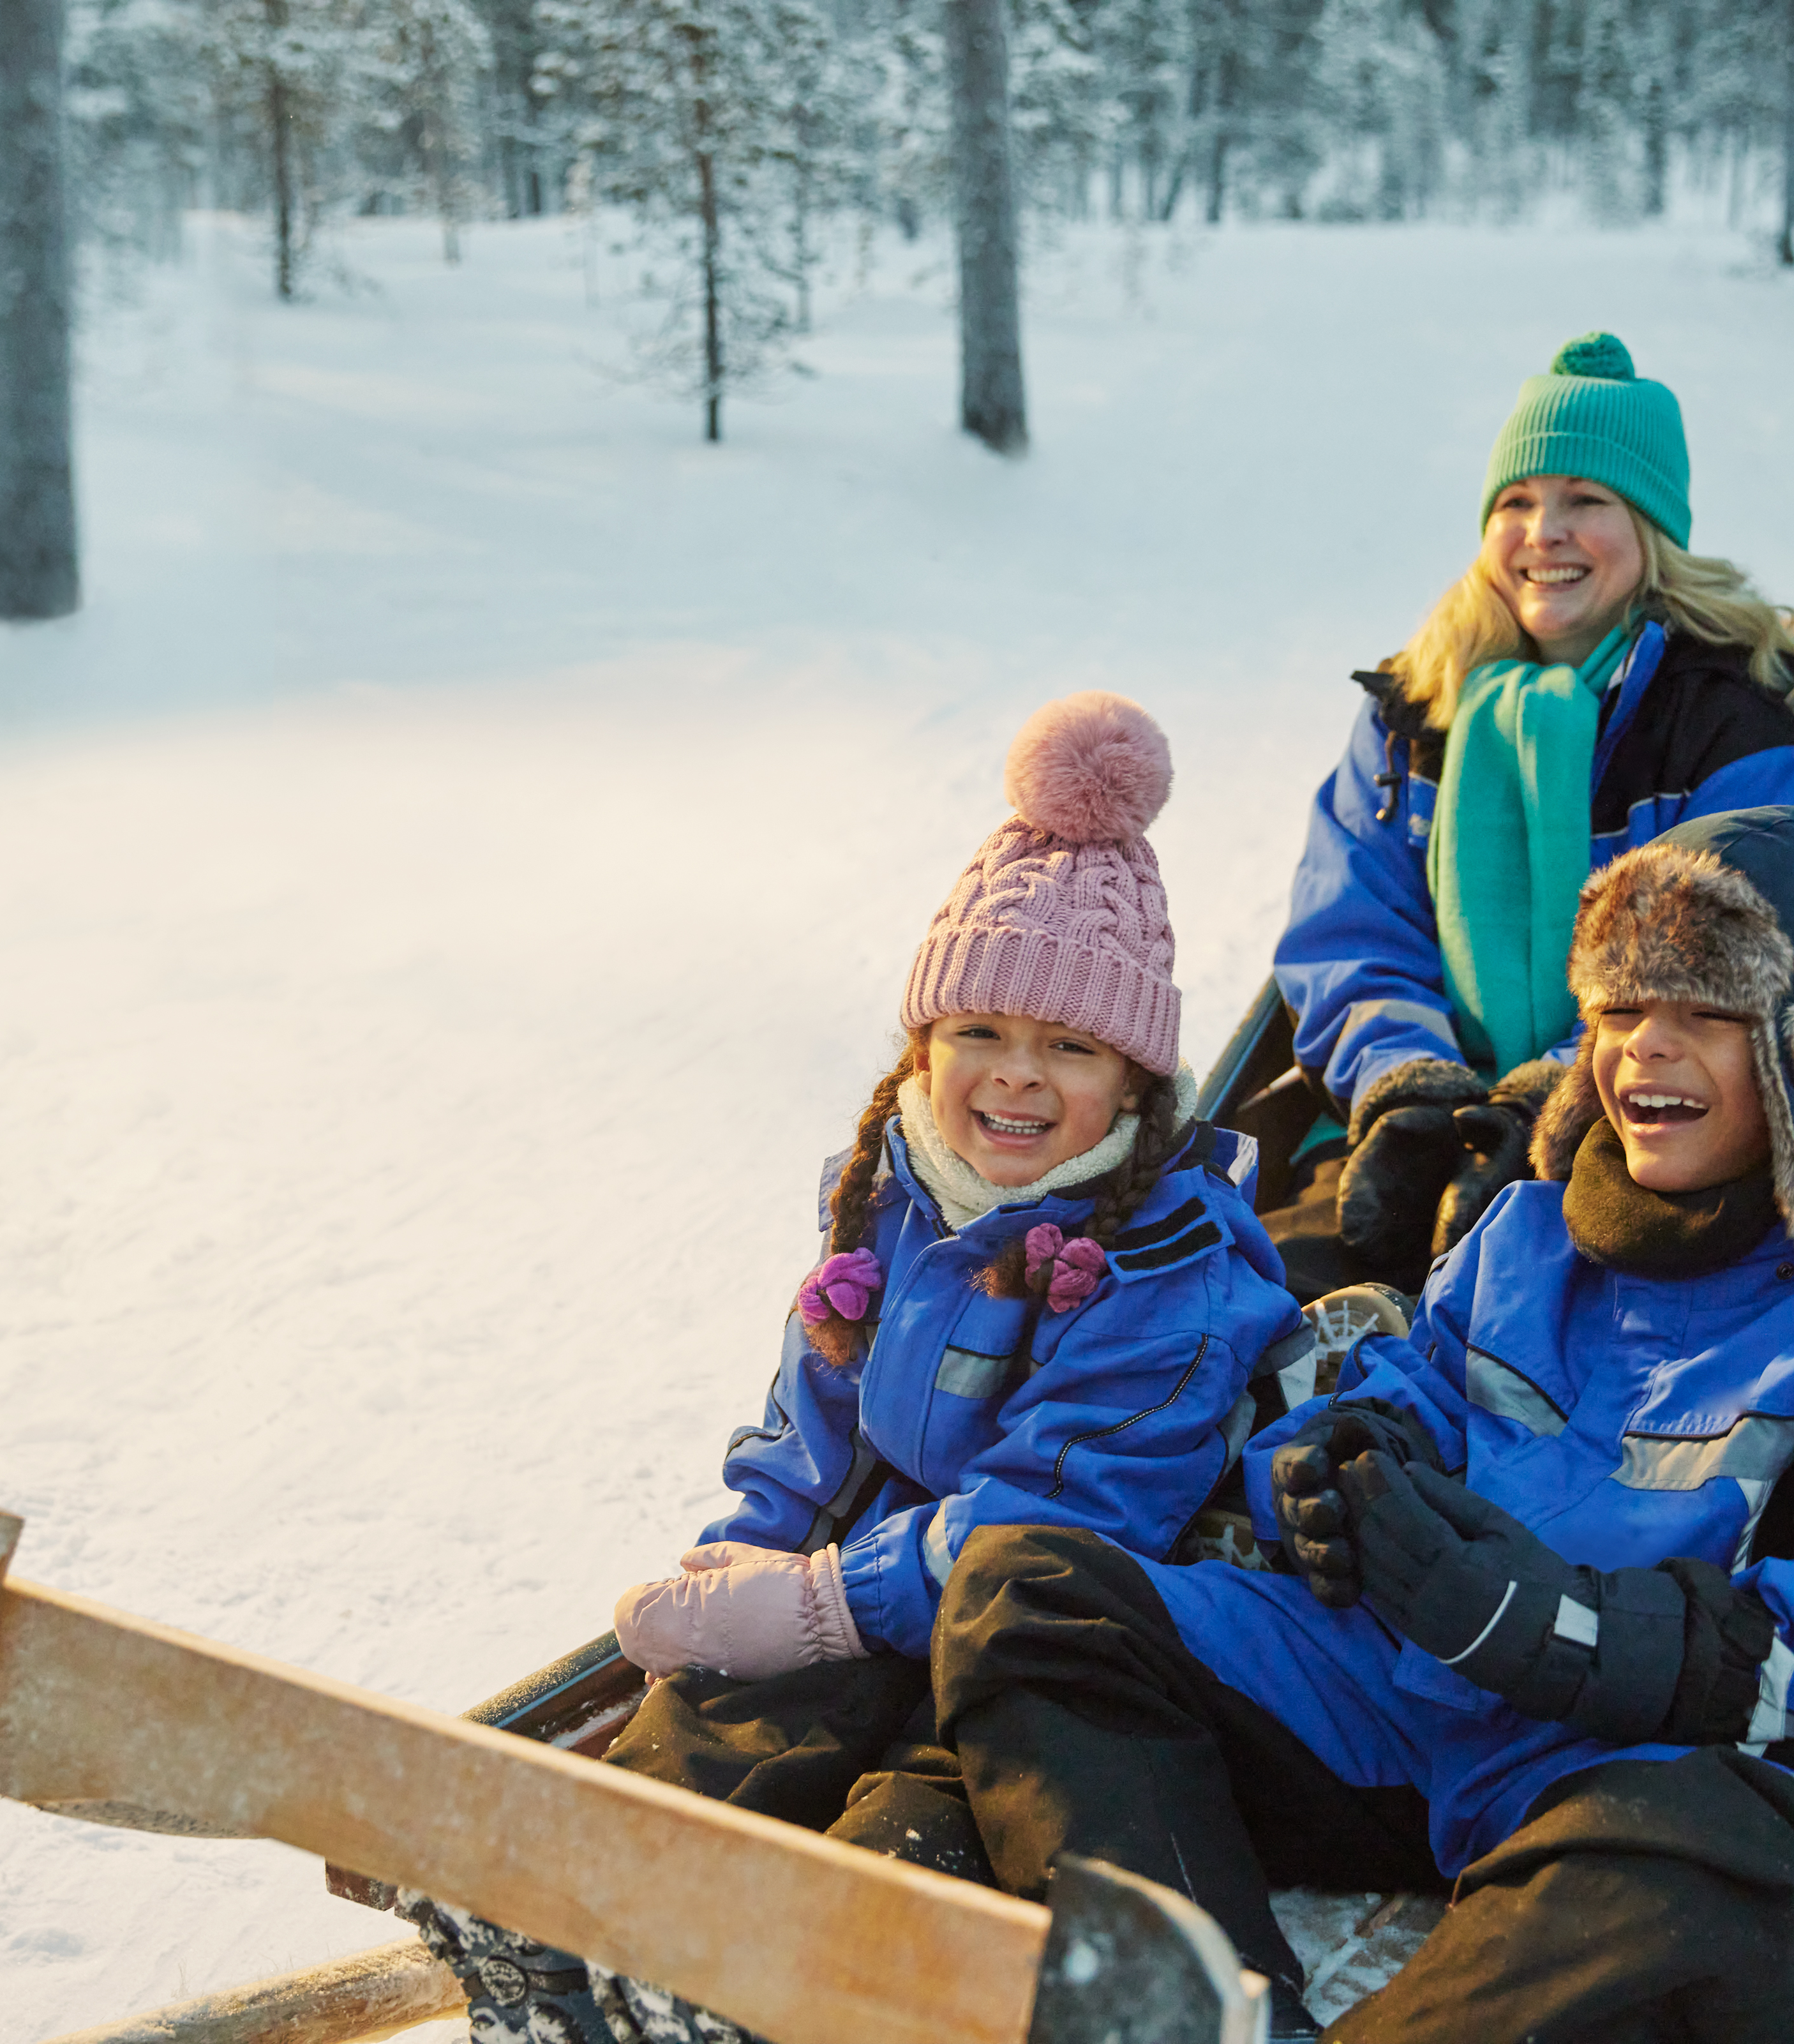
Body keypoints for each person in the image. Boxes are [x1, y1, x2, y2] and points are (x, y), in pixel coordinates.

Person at [931, 806, 1794, 2044]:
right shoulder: (1528, 1237)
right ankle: (1198, 2017)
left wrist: (1582, 1632)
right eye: (1621, 1007)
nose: (1646, 1047)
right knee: (1027, 1588)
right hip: (1390, 1703)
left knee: (1730, 1882)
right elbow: (1413, 1384)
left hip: (1613, 1783)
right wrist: (1348, 1466)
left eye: (1705, 1011)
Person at [400, 693, 1306, 2044]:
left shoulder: (1174, 1267)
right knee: (743, 1701)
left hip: (1059, 1627)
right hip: (892, 1577)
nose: (1016, 1077)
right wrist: (739, 1582)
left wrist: (823, 1600)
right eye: (980, 1032)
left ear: (1134, 1081)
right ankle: (573, 1905)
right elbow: (809, 1438)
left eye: (1069, 1047)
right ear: (924, 1045)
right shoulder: (887, 1200)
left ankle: (796, 1967)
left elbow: (1060, 1515)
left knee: (932, 1775)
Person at [1269, 331, 1794, 1303]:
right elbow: (1350, 931)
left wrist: (1551, 1100)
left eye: (1587, 501)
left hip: (1631, 1136)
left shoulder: (1731, 734)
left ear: (1652, 531)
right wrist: (1408, 1085)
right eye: (1518, 503)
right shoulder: (1415, 714)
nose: (1545, 533)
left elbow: (1732, 979)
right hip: (1403, 1111)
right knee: (1276, 1292)